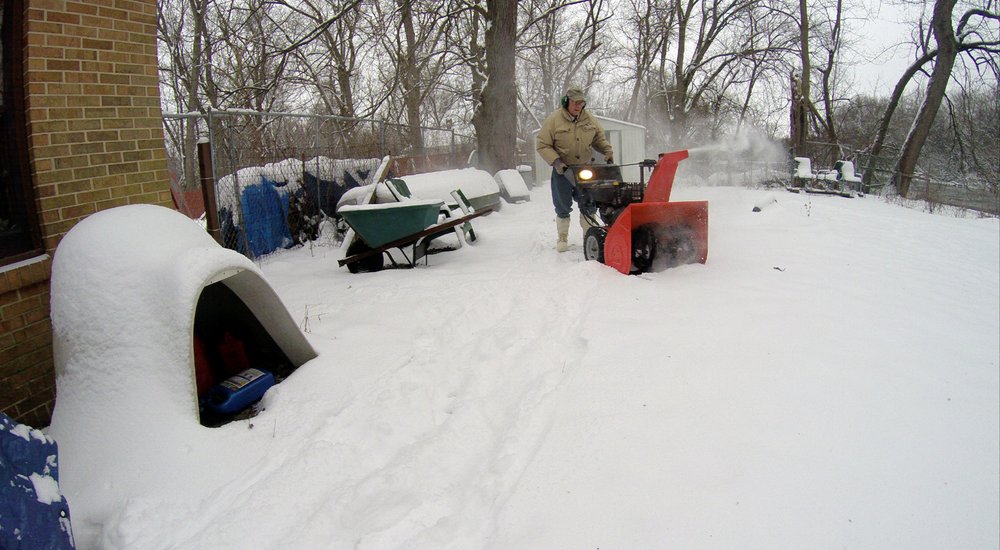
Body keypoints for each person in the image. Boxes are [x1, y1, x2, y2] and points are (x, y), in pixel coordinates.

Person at [536, 85, 614, 252]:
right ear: (567, 102)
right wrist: (556, 162)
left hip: (585, 169)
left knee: (589, 203)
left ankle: (589, 236)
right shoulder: (554, 119)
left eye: (581, 103)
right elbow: (543, 145)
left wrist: (607, 150)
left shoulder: (590, 119)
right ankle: (562, 238)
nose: (578, 106)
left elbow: (599, 138)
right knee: (562, 205)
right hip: (562, 170)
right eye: (575, 102)